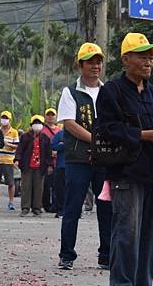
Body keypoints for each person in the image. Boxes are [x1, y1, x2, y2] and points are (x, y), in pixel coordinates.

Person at [96, 33, 153, 286]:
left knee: (147, 239)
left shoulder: (152, 91)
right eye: (142, 56)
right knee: (127, 236)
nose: (148, 61)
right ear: (126, 59)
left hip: (151, 174)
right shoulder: (112, 90)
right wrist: (142, 135)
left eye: (150, 57)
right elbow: (107, 128)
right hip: (127, 175)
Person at [57, 42, 111, 271]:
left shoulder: (109, 91)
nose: (95, 65)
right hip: (78, 159)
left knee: (107, 207)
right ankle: (67, 254)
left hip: (106, 160)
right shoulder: (70, 92)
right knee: (72, 208)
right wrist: (95, 141)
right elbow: (69, 123)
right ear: (80, 65)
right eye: (90, 61)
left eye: (98, 61)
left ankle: (107, 254)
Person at [14, 115, 53, 216]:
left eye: (39, 123)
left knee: (38, 188)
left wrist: (50, 165)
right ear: (31, 125)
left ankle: (36, 208)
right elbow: (20, 149)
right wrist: (17, 159)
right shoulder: (25, 136)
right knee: (26, 187)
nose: (37, 125)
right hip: (27, 166)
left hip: (40, 167)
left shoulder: (45, 138)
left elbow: (49, 153)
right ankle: (25, 208)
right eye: (35, 123)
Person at [0, 110, 19, 211]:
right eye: (2, 117)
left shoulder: (14, 132)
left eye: (6, 118)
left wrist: (6, 144)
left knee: (10, 183)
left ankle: (11, 202)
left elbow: (17, 146)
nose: (4, 120)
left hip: (9, 160)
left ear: (10, 120)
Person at [42, 108, 61, 213]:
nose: (50, 117)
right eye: (48, 115)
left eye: (52, 115)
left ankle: (55, 205)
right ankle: (46, 205)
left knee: (56, 185)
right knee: (46, 185)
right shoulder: (42, 130)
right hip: (46, 161)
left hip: (58, 162)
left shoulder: (59, 130)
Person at [50, 128, 65, 218]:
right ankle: (61, 209)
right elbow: (53, 146)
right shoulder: (60, 133)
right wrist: (61, 146)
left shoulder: (77, 132)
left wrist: (62, 144)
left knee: (72, 190)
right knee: (59, 189)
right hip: (60, 166)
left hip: (73, 166)